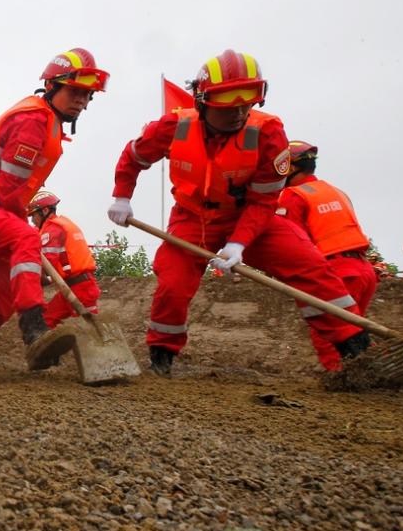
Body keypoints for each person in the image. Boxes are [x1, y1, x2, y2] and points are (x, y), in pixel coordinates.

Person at [107, 50, 370, 376]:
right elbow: (134, 156)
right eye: (228, 104)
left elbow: (264, 203)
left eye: (247, 102)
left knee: (310, 266)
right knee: (172, 284)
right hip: (192, 218)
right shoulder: (174, 125)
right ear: (203, 101)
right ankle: (162, 358)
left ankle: (358, 352)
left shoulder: (269, 134)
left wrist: (239, 243)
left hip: (250, 217)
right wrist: (122, 197)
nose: (239, 111)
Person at [0, 49, 109, 366]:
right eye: (75, 92)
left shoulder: (47, 122)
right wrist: (25, 235)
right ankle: (33, 327)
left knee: (3, 299)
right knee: (27, 238)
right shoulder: (32, 121)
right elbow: (10, 191)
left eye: (87, 96)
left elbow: (12, 196)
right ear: (53, 86)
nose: (81, 102)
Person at [277, 140, 378, 371]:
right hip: (364, 270)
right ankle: (369, 376)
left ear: (290, 168)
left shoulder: (293, 195)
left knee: (329, 332)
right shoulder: (335, 192)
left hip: (334, 270)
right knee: (353, 332)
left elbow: (290, 241)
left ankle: (340, 380)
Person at [27, 190, 100, 328]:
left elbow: (48, 263)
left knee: (90, 330)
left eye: (34, 215)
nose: (32, 220)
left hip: (80, 288)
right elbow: (33, 233)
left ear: (45, 211)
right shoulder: (62, 223)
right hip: (72, 287)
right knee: (47, 320)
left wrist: (31, 281)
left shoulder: (52, 229)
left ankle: (103, 349)